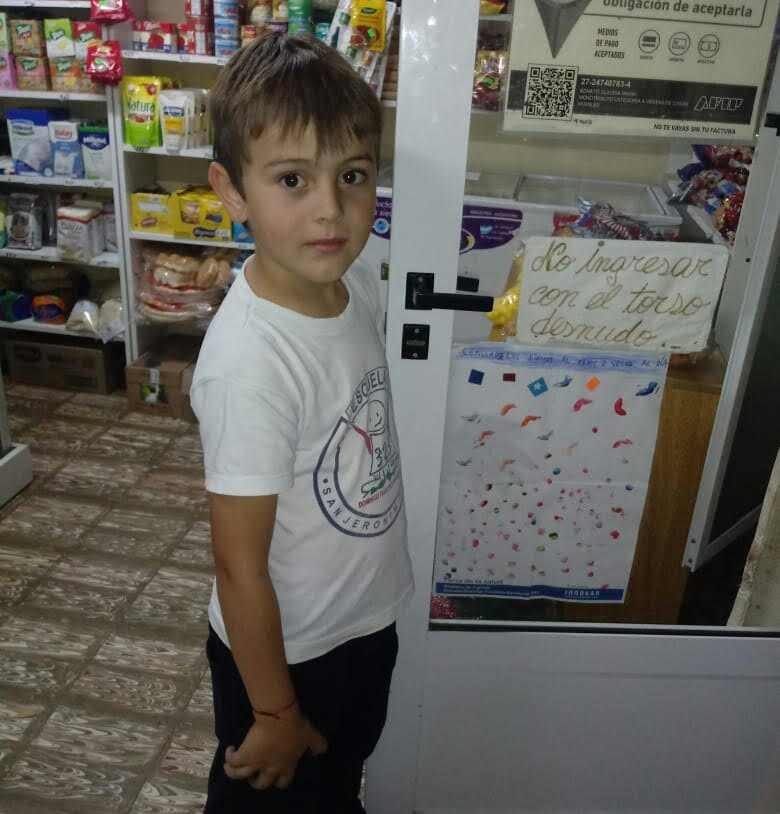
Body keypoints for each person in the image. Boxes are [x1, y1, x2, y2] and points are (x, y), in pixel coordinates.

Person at [191, 30, 414, 814]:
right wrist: (276, 711)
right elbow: (237, 566)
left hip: (360, 625)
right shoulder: (250, 363)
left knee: (336, 784)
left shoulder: (360, 281)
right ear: (232, 191)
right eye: (293, 179)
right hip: (283, 658)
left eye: (352, 175)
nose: (331, 209)